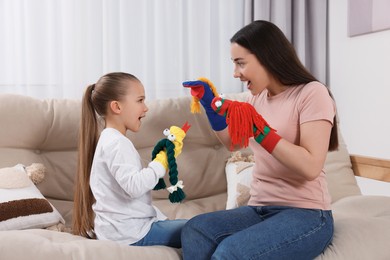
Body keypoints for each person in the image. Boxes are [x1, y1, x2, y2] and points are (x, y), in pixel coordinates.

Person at [181, 20, 338, 259]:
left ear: (267, 56)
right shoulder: (255, 99)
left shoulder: (312, 93)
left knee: (231, 253)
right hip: (259, 208)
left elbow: (310, 167)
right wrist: (211, 110)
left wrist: (261, 130)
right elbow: (233, 144)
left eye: (240, 63)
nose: (235, 73)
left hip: (307, 213)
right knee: (196, 230)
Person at [72, 72, 187, 247]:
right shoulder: (116, 143)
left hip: (122, 230)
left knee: (199, 227)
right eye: (140, 100)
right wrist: (161, 162)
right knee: (202, 229)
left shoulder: (109, 139)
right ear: (117, 107)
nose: (146, 107)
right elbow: (134, 187)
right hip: (130, 234)